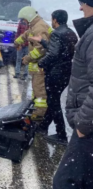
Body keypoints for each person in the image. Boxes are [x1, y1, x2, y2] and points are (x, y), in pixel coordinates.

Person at [53, 0, 93, 188]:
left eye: (84, 2)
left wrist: (83, 126)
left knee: (66, 182)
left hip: (88, 129)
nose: (80, 7)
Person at [29, 10, 78, 145]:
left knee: (54, 103)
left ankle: (61, 135)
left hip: (55, 73)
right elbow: (59, 49)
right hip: (66, 72)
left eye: (52, 18)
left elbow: (53, 54)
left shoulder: (56, 33)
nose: (51, 21)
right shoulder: (70, 33)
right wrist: (43, 42)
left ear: (55, 20)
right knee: (53, 100)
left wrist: (41, 63)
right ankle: (44, 126)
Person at [14, 6, 52, 121]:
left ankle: (39, 115)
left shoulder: (39, 28)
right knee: (36, 88)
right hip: (38, 66)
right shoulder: (35, 25)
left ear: (29, 17)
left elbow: (40, 49)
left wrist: (27, 59)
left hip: (41, 66)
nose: (24, 22)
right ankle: (36, 110)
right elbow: (27, 34)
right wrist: (18, 41)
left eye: (24, 19)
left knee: (40, 91)